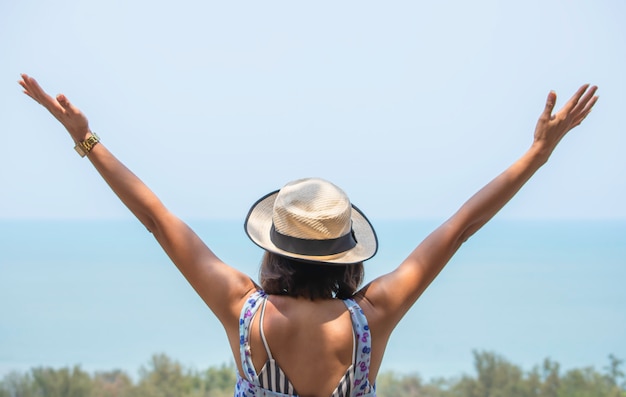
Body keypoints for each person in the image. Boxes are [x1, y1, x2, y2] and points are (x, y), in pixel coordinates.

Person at [18, 74, 598, 397]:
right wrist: (538, 155)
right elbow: (461, 227)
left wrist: (87, 140)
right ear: (346, 253)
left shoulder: (243, 311)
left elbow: (157, 220)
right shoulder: (374, 316)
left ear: (276, 247)